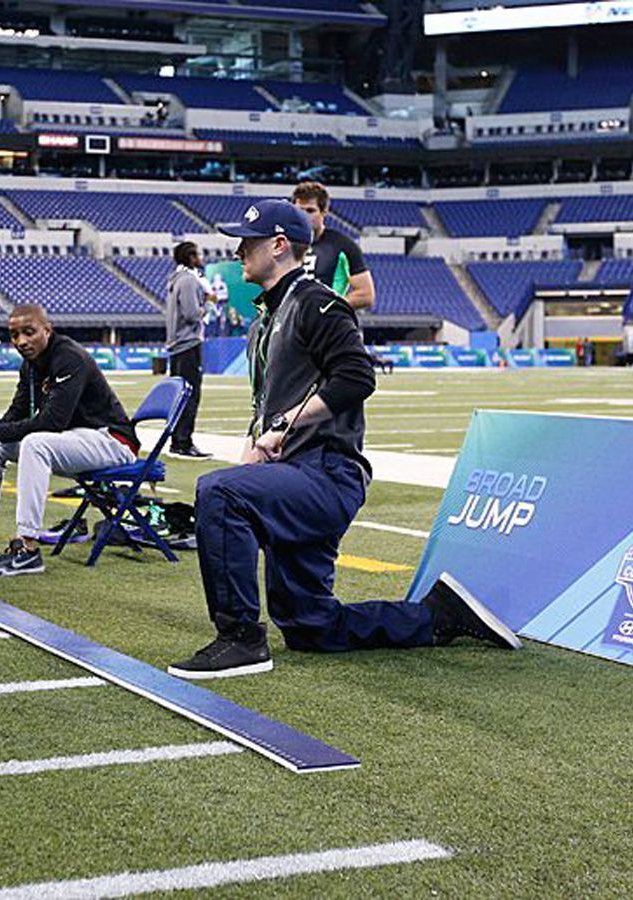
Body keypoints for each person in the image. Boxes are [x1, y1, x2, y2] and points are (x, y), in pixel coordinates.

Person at [167, 200, 518, 679]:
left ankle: (240, 639)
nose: (239, 250)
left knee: (220, 492)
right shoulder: (264, 321)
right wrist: (257, 442)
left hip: (327, 474)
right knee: (311, 626)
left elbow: (356, 377)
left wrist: (284, 425)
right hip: (292, 475)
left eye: (249, 241)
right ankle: (437, 616)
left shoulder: (316, 303)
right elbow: (270, 400)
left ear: (279, 245)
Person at [0, 304, 138, 577]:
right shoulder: (30, 366)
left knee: (35, 443)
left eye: (29, 332)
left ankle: (27, 547)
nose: (21, 341)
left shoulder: (69, 357)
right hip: (74, 440)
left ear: (47, 330)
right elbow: (18, 411)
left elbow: (52, 422)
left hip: (112, 441)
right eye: (15, 335)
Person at [291, 182, 375, 312]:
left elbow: (366, 295)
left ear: (324, 212)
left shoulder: (343, 245)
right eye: (299, 211)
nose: (304, 217)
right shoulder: (284, 244)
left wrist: (327, 308)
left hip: (324, 328)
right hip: (290, 326)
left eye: (310, 211)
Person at [164, 241, 211, 459]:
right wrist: (207, 305)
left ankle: (177, 440)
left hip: (176, 345)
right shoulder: (189, 280)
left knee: (180, 395)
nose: (201, 258)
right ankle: (184, 441)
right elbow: (192, 314)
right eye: (198, 254)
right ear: (191, 257)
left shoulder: (175, 279)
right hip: (188, 343)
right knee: (190, 395)